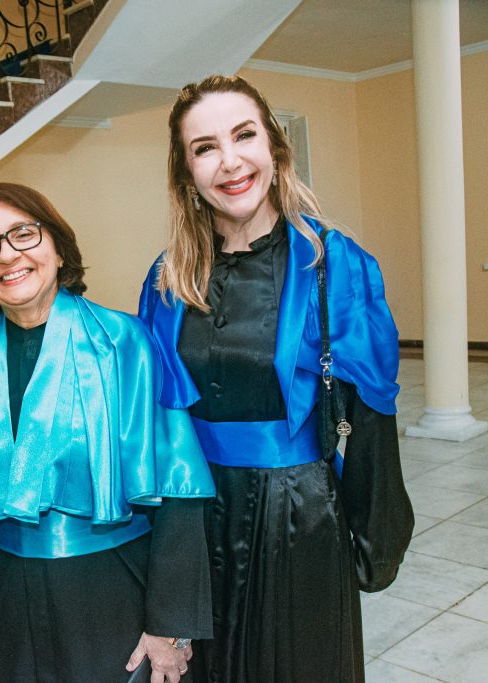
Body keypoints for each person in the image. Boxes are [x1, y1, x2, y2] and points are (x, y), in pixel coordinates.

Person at [138, 75, 414, 682]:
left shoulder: (333, 262)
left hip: (298, 519)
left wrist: (373, 539)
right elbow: (155, 423)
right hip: (196, 519)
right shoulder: (167, 278)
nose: (230, 161)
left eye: (244, 136)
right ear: (186, 174)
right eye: (205, 147)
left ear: (275, 149)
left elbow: (371, 410)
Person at [0, 182, 217, 683]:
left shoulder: (125, 342)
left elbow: (181, 490)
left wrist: (170, 625)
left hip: (114, 588)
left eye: (23, 234)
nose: (7, 256)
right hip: (7, 598)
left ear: (56, 244)